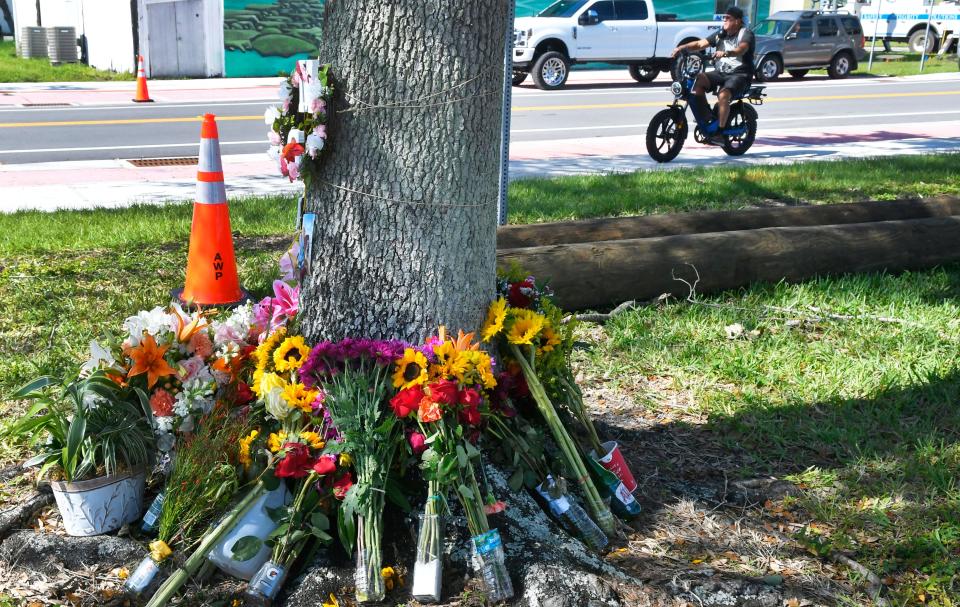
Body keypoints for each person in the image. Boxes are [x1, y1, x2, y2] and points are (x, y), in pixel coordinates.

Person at [671, 6, 755, 145]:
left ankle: (720, 133)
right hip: (721, 72)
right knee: (698, 80)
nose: (725, 20)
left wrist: (727, 53)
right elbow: (699, 43)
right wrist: (681, 48)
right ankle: (707, 118)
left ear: (738, 21)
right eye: (725, 18)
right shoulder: (721, 34)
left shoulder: (745, 34)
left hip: (740, 74)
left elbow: (742, 49)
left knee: (723, 95)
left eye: (728, 18)